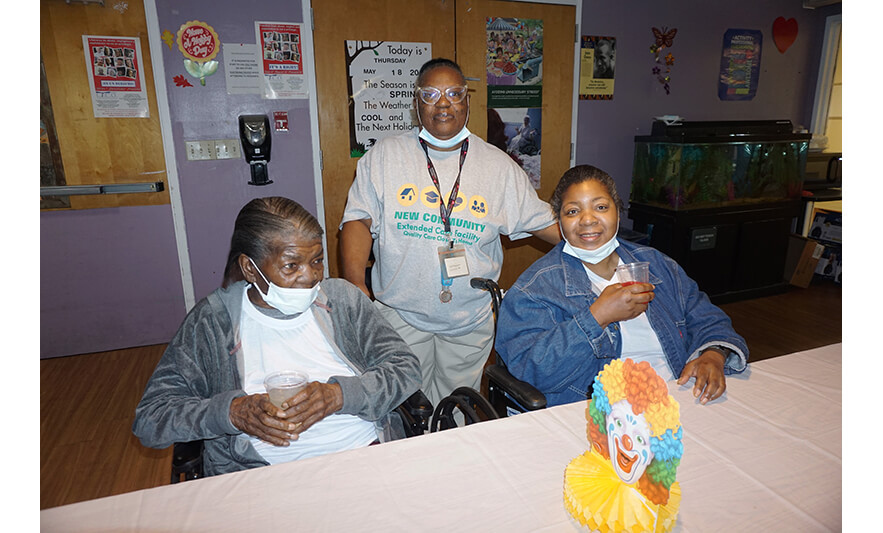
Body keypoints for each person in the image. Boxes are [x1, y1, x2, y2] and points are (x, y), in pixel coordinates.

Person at [133, 197, 421, 476]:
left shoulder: (343, 301)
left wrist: (339, 395)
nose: (310, 276)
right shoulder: (213, 321)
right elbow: (151, 418)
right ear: (250, 268)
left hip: (361, 453)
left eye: (317, 260)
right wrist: (232, 412)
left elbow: (405, 368)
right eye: (291, 266)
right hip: (262, 474)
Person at [339, 57, 560, 408]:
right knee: (403, 410)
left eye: (454, 93)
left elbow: (546, 223)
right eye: (431, 94)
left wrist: (599, 243)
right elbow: (358, 220)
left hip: (468, 322)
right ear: (417, 103)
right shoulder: (385, 156)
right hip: (400, 315)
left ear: (467, 102)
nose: (443, 103)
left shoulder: (498, 166)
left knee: (456, 412)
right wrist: (355, 284)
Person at [495, 165, 748, 408]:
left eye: (601, 207)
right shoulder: (534, 290)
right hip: (598, 414)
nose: (587, 220)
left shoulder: (659, 265)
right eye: (572, 211)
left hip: (674, 397)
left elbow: (707, 318)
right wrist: (596, 318)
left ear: (618, 211)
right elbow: (531, 372)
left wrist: (714, 353)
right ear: (559, 221)